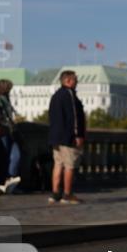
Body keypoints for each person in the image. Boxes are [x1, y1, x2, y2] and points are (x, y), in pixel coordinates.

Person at [47, 70, 85, 204]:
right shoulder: (69, 95)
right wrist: (78, 135)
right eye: (75, 80)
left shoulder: (56, 95)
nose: (77, 82)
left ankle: (55, 193)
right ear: (68, 81)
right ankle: (67, 194)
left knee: (58, 164)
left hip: (55, 136)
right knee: (70, 165)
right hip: (68, 137)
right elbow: (74, 118)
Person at [0, 79, 23, 194]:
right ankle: (5, 181)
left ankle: (11, 179)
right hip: (3, 132)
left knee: (16, 156)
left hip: (10, 132)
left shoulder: (6, 100)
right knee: (5, 157)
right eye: (9, 89)